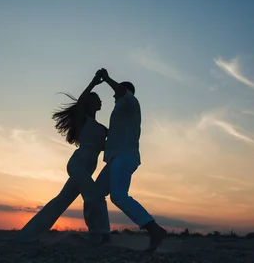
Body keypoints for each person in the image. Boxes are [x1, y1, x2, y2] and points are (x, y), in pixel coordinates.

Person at [16, 73, 110, 244]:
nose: (100, 101)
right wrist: (93, 84)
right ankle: (100, 233)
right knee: (94, 195)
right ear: (90, 103)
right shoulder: (83, 120)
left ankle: (29, 233)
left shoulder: (102, 129)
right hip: (78, 163)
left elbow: (109, 145)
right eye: (96, 99)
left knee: (62, 200)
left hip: (88, 167)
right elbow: (81, 103)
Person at [94, 68, 167, 251]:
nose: (113, 98)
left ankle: (154, 229)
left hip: (125, 156)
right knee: (95, 194)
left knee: (118, 196)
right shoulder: (123, 112)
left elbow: (119, 91)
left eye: (116, 94)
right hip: (115, 157)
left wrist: (107, 78)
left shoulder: (130, 101)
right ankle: (104, 235)